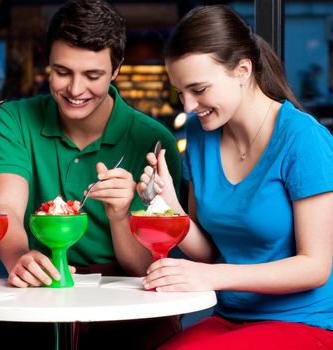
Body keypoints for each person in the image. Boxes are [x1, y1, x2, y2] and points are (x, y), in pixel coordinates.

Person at [0, 0, 182, 349]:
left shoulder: (153, 140)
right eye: (62, 72)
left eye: (92, 76)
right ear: (48, 63)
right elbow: (6, 208)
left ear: (116, 69)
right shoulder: (14, 120)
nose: (75, 90)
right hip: (39, 284)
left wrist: (120, 216)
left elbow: (145, 267)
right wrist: (20, 260)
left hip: (128, 293)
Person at [135, 5, 333, 349]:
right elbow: (208, 253)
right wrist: (168, 207)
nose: (187, 106)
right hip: (232, 317)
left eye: (199, 89)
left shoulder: (303, 139)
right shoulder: (200, 133)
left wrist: (213, 277)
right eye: (180, 92)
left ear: (243, 70)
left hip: (306, 322)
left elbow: (315, 266)